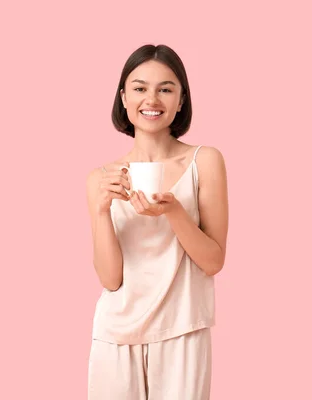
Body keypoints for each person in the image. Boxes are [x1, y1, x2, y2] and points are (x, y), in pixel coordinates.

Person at [85, 44, 229, 399]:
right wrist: (102, 210)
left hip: (183, 329)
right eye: (139, 88)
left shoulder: (205, 161)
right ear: (123, 97)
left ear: (181, 100)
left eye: (166, 88)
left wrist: (174, 211)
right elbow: (110, 278)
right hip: (115, 335)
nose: (152, 99)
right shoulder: (101, 178)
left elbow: (213, 261)